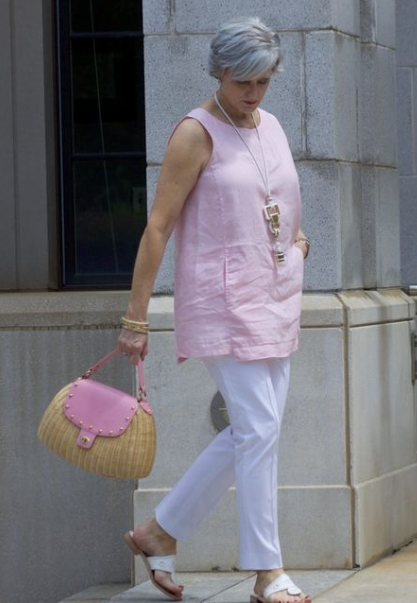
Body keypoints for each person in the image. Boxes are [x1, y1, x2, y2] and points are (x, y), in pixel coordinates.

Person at [119, 17, 312, 603]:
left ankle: (159, 532)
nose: (253, 92)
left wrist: (298, 244)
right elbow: (158, 226)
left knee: (259, 431)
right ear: (219, 71)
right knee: (257, 428)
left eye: (263, 81)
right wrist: (136, 316)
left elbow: (278, 198)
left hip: (276, 297)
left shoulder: (271, 126)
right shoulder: (194, 133)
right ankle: (266, 574)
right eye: (242, 80)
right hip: (224, 302)